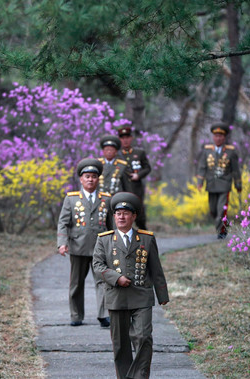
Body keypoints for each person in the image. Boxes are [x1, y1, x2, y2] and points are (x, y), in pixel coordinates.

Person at [93, 192, 169, 379]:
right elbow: (97, 266)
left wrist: (162, 295)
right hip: (116, 297)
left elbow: (155, 269)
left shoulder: (146, 239)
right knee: (120, 345)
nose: (121, 216)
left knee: (143, 338)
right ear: (114, 216)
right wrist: (115, 278)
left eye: (126, 213)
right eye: (118, 213)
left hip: (141, 296)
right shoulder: (104, 240)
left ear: (133, 216)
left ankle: (139, 376)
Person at [57, 158, 113, 327]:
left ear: (98, 179)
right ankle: (76, 315)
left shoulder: (106, 199)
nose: (90, 179)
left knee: (103, 281)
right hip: (78, 247)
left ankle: (104, 315)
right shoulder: (72, 199)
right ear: (81, 179)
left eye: (94, 176)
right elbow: (63, 222)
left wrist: (114, 245)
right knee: (76, 283)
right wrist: (62, 242)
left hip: (100, 249)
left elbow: (111, 225)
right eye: (87, 176)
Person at [196, 122, 242, 239]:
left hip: (224, 184)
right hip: (211, 184)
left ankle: (221, 231)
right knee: (213, 210)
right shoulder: (207, 150)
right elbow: (202, 166)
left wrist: (238, 184)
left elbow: (235, 169)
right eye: (216, 136)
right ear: (213, 137)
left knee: (221, 210)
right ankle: (224, 224)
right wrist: (200, 182)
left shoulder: (231, 151)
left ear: (224, 137)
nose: (218, 138)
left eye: (220, 136)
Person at [117, 127, 151, 229]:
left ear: (131, 138)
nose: (125, 140)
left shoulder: (139, 153)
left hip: (136, 188)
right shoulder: (116, 155)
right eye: (122, 138)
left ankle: (144, 237)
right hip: (121, 188)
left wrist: (139, 175)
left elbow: (147, 168)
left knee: (139, 214)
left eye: (127, 137)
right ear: (119, 140)